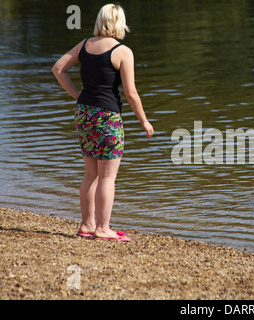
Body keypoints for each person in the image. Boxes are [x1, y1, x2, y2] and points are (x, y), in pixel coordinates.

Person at [52, 4, 153, 241]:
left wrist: (78, 95)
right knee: (108, 177)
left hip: (84, 114)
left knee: (91, 175)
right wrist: (144, 121)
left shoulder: (85, 45)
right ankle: (103, 229)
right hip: (107, 117)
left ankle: (87, 225)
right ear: (119, 23)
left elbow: (58, 69)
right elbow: (130, 93)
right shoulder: (123, 51)